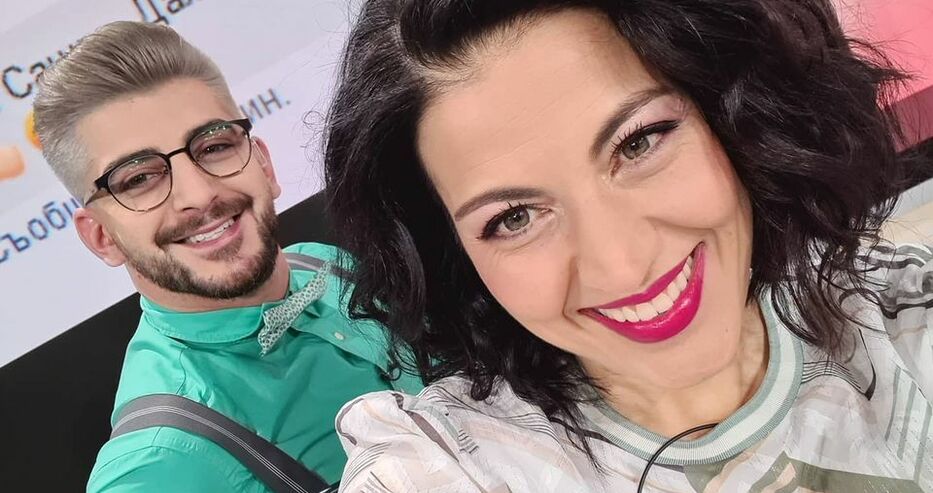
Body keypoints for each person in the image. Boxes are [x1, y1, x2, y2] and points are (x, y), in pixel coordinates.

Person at [321, 1, 933, 491]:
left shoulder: (902, 313)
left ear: (733, 115)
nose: (622, 264)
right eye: (515, 218)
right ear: (453, 258)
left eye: (639, 143)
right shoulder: (450, 466)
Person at [32, 20, 421, 493]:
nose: (199, 194)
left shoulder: (327, 263)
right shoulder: (152, 468)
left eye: (214, 146)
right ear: (101, 237)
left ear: (264, 164)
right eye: (139, 179)